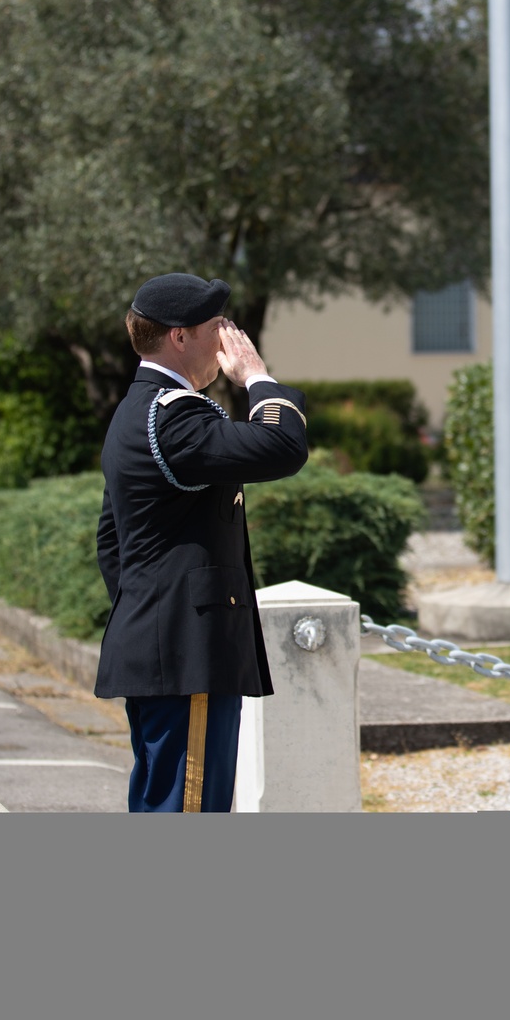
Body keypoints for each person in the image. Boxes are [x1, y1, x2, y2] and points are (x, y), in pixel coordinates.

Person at [94, 272, 308, 812]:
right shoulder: (175, 417)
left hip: (167, 646)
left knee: (165, 804)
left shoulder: (138, 411)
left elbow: (111, 542)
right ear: (179, 337)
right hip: (187, 653)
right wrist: (257, 378)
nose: (227, 338)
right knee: (189, 810)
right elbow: (282, 446)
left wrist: (153, 610)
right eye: (217, 325)